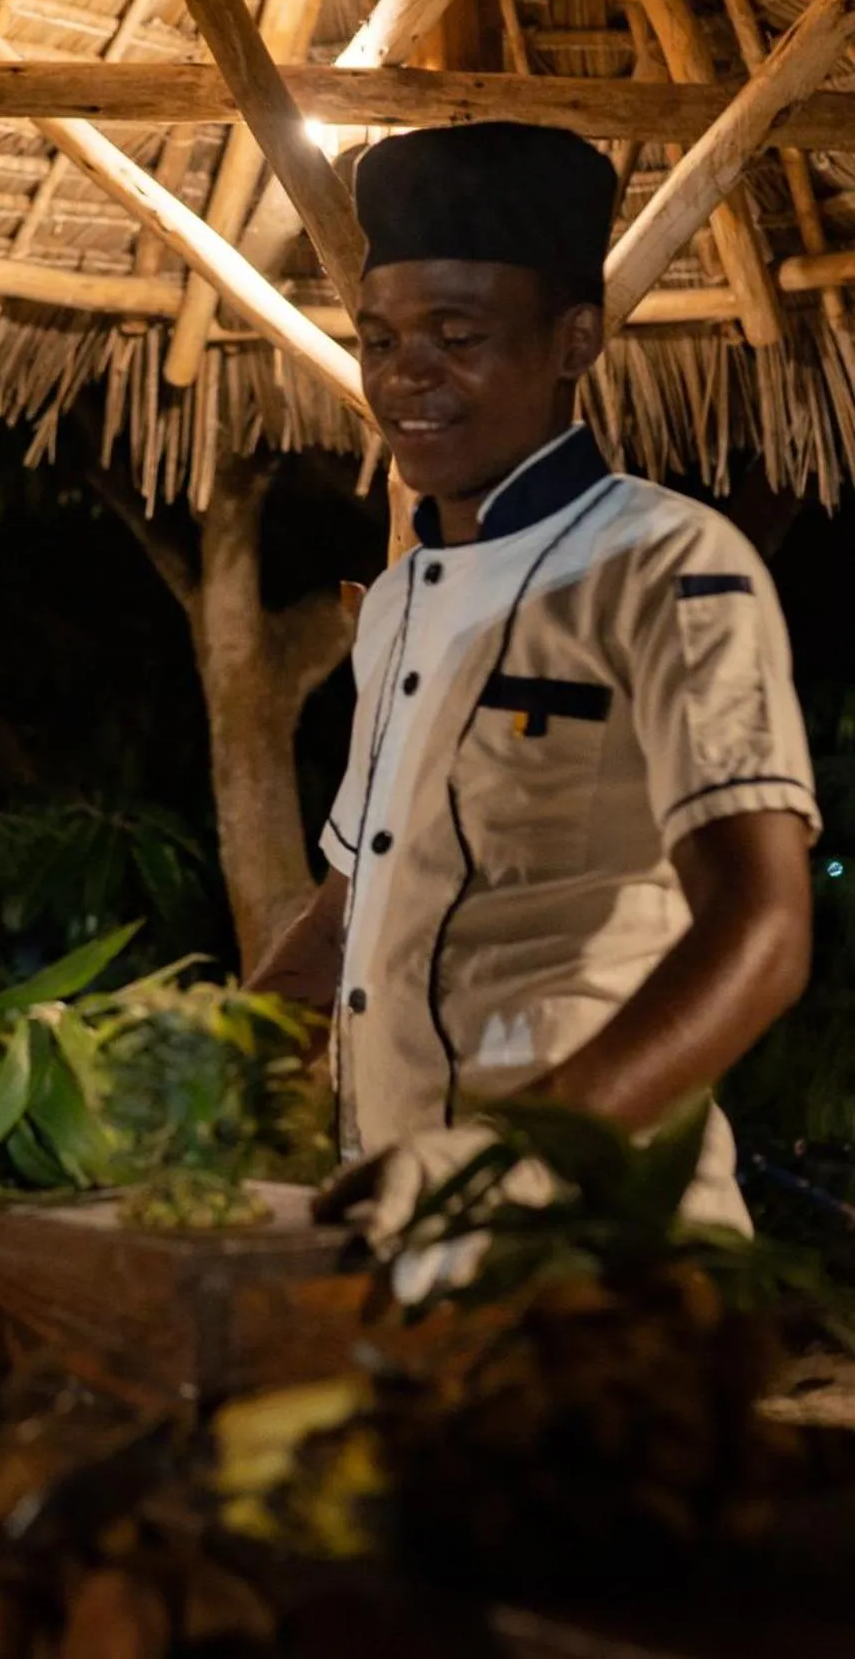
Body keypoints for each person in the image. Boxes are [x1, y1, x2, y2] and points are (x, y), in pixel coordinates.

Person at [250, 122, 817, 1237]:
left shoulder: (670, 566)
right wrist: (198, 1058)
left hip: (595, 1234)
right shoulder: (403, 597)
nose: (404, 376)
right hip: (402, 1223)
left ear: (572, 340)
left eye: (454, 335)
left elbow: (761, 926)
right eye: (379, 338)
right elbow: (353, 902)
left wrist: (508, 1153)